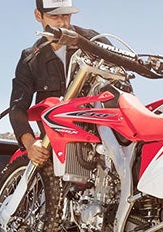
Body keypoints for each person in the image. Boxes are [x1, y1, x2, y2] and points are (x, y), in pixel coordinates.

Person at [8, 0, 100, 166]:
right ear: (38, 15)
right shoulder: (30, 59)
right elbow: (17, 108)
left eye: (65, 15)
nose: (62, 23)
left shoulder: (93, 40)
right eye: (54, 16)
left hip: (99, 138)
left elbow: (123, 83)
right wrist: (30, 144)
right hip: (54, 145)